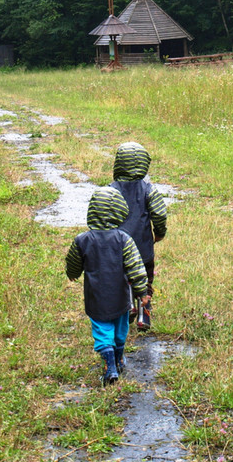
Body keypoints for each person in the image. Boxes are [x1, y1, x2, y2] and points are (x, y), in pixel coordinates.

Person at [65, 186, 150, 385]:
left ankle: (110, 366)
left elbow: (73, 263)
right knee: (120, 330)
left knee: (102, 331)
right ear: (120, 211)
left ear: (92, 211)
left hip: (96, 298)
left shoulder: (82, 240)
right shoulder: (124, 240)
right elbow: (136, 268)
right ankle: (119, 359)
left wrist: (72, 274)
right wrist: (142, 292)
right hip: (120, 297)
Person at [110, 142, 167, 330]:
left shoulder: (110, 190)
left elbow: (101, 214)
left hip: (117, 248)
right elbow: (159, 213)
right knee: (146, 278)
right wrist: (159, 233)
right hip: (143, 248)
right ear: (144, 164)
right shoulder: (148, 189)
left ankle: (129, 304)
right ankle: (144, 315)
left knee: (123, 276)